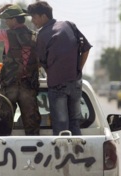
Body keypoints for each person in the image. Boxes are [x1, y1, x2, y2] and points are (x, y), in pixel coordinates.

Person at [27, 1, 92, 135]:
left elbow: (40, 62)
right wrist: (78, 70)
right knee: (74, 122)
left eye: (34, 17)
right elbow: (85, 49)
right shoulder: (69, 25)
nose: (33, 21)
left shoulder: (42, 35)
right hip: (75, 82)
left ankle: (63, 156)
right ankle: (75, 154)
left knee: (61, 126)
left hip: (57, 86)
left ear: (43, 16)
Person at [0, 4, 41, 135]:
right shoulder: (35, 36)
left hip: (10, 87)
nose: (5, 22)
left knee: (3, 125)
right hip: (29, 87)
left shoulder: (6, 34)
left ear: (14, 20)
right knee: (32, 126)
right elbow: (39, 61)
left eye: (7, 19)